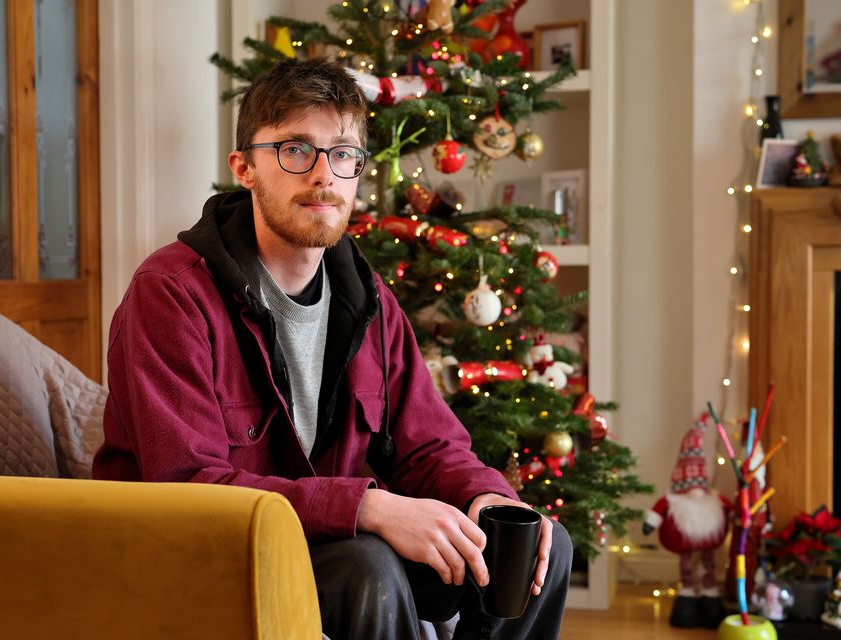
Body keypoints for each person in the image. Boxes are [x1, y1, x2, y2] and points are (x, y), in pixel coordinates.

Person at [93, 57, 572, 640]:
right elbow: (188, 488)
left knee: (538, 546)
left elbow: (431, 446)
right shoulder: (171, 294)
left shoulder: (368, 299)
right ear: (244, 168)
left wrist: (491, 499)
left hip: (320, 545)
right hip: (200, 561)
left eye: (343, 153)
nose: (324, 174)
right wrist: (368, 509)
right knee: (367, 566)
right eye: (296, 149)